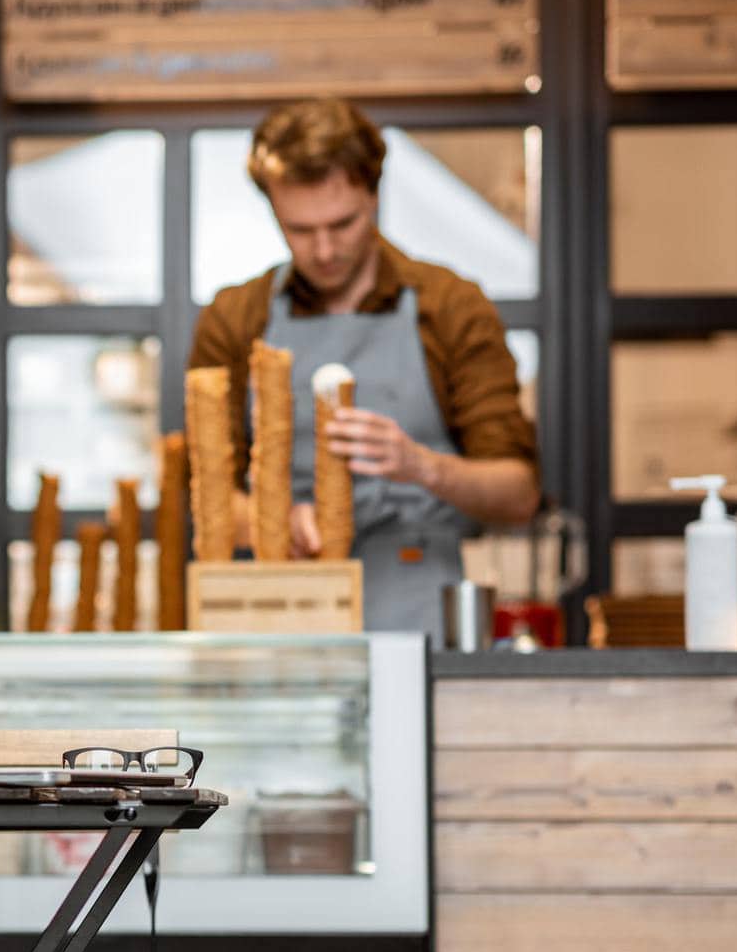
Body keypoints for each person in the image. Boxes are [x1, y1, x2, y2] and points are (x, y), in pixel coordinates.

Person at [188, 97, 541, 634]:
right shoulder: (236, 319)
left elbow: (518, 494)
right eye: (300, 230)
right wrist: (274, 521)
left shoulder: (449, 308)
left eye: (343, 223)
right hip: (279, 609)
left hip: (417, 605)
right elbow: (206, 493)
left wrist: (420, 465)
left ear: (374, 194)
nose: (325, 249)